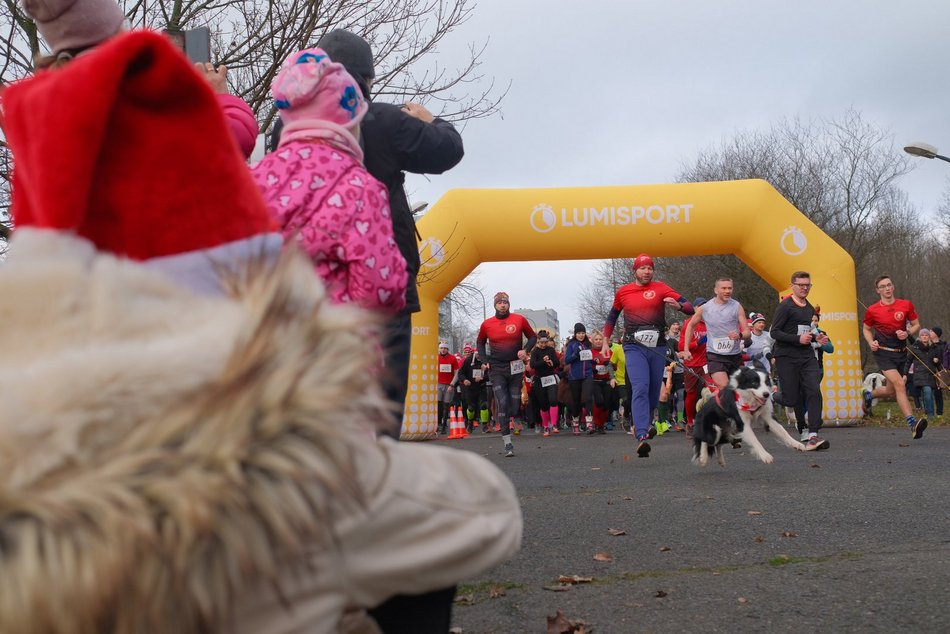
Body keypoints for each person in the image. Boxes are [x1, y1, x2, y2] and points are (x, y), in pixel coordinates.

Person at [0, 30, 521, 634]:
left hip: (263, 349)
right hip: (345, 345)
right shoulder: (368, 157)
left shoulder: (262, 173)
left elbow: (242, 227)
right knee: (372, 464)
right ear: (359, 89)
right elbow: (414, 211)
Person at [270, 30, 465, 437]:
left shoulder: (282, 130)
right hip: (378, 288)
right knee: (379, 420)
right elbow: (448, 150)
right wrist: (431, 119)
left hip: (304, 293)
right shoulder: (381, 120)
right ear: (365, 80)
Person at [251, 47, 408, 313]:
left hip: (261, 340)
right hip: (332, 343)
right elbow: (379, 287)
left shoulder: (252, 178)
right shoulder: (361, 188)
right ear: (348, 124)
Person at [24, 0, 260, 158]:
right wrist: (220, 96)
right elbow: (232, 142)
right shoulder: (131, 94)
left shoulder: (43, 114)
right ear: (110, 34)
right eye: (123, 25)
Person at [602, 253, 694, 458]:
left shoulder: (661, 287)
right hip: (634, 346)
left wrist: (679, 306)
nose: (647, 271)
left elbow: (690, 307)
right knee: (640, 386)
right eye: (642, 268)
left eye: (650, 268)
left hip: (658, 346)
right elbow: (611, 318)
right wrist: (606, 342)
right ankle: (641, 433)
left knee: (654, 391)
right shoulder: (624, 291)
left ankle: (647, 422)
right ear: (635, 270)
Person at [770, 272, 830, 451]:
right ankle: (770, 396)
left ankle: (813, 435)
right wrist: (798, 339)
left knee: (814, 391)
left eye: (808, 285)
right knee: (791, 398)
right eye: (801, 284)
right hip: (786, 357)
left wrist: (817, 339)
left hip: (806, 357)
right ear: (792, 285)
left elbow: (808, 331)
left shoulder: (810, 308)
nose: (805, 288)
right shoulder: (785, 306)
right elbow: (775, 333)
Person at [862, 275, 927, 439]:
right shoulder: (872, 310)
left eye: (889, 285)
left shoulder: (905, 305)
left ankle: (869, 395)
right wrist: (871, 342)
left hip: (901, 353)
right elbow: (866, 329)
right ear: (878, 290)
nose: (887, 288)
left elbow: (917, 325)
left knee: (891, 390)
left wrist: (907, 332)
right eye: (883, 286)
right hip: (883, 352)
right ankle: (912, 423)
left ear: (893, 286)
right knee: (900, 384)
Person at [476, 292, 537, 457]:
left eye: (505, 302)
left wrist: (525, 350)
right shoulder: (487, 324)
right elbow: (480, 342)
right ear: (495, 305)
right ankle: (507, 443)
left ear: (508, 304)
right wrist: (484, 359)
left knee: (514, 405)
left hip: (515, 366)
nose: (502, 305)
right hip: (497, 367)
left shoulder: (519, 319)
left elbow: (532, 337)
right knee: (502, 403)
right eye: (499, 303)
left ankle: (514, 416)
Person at [682, 277, 751, 389]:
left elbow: (747, 332)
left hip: (734, 356)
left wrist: (740, 335)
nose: (727, 291)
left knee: (735, 389)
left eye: (730, 288)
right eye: (723, 288)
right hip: (715, 355)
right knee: (724, 386)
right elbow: (691, 325)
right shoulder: (705, 308)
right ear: (716, 290)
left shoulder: (737, 306)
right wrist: (686, 349)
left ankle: (716, 403)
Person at [679, 297, 711, 437]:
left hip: (706, 364)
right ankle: (690, 423)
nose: (704, 309)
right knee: (691, 394)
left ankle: (711, 420)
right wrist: (697, 343)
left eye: (706, 306)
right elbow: (681, 347)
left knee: (712, 388)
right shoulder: (689, 324)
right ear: (695, 308)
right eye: (701, 306)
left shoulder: (710, 323)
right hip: (691, 364)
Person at [564, 322, 595, 435]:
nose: (581, 335)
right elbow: (567, 360)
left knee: (588, 398)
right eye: (579, 333)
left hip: (587, 375)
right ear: (575, 334)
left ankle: (589, 424)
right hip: (575, 376)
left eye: (583, 333)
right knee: (576, 401)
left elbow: (589, 358)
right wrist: (575, 354)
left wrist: (594, 361)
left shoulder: (588, 344)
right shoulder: (571, 345)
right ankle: (575, 423)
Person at [529, 329, 562, 436]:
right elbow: (533, 365)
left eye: (545, 342)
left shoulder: (551, 350)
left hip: (550, 377)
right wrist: (543, 361)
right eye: (541, 343)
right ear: (538, 342)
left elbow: (557, 363)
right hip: (539, 379)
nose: (543, 345)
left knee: (553, 400)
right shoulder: (535, 351)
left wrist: (552, 362)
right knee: (543, 404)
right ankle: (546, 426)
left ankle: (554, 424)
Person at [457, 343, 490, 432]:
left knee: (483, 405)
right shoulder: (468, 360)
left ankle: (484, 425)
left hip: (481, 387)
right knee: (471, 407)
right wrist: (464, 380)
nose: (479, 357)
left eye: (481, 355)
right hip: (470, 388)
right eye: (477, 355)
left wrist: (483, 377)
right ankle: (470, 423)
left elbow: (491, 375)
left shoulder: (486, 362)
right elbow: (460, 373)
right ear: (474, 354)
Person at [910, 329, 939, 420]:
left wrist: (937, 361)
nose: (924, 337)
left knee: (929, 394)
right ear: (920, 337)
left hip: (931, 374)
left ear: (929, 337)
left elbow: (938, 363)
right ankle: (930, 414)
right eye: (922, 335)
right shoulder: (915, 348)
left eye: (926, 335)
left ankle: (930, 412)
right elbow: (908, 361)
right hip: (920, 374)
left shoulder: (934, 347)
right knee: (927, 392)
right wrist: (904, 374)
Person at [436, 341, 461, 434]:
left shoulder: (452, 358)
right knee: (438, 404)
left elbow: (456, 373)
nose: (443, 350)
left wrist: (452, 384)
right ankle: (438, 423)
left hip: (449, 385)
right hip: (438, 384)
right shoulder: (435, 358)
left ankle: (444, 426)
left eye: (445, 348)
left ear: (448, 349)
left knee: (446, 405)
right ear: (439, 349)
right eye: (441, 348)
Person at [930, 326, 946, 417]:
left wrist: (938, 361)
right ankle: (929, 412)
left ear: (936, 334)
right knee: (927, 392)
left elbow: (945, 359)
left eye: (931, 331)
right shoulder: (927, 344)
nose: (929, 332)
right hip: (928, 371)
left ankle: (939, 412)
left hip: (938, 372)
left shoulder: (943, 345)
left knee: (938, 392)